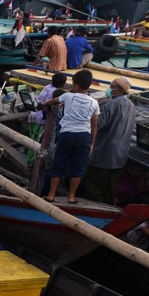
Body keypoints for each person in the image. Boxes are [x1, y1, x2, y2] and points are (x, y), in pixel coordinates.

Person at [41, 69, 99, 203]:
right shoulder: (94, 102)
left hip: (67, 134)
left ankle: (51, 195)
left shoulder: (68, 96)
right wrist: (92, 143)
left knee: (59, 164)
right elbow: (94, 125)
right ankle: (71, 196)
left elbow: (52, 101)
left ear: (76, 85)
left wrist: (47, 103)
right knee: (78, 167)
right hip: (84, 137)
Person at [84, 77, 136, 205]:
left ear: (119, 90)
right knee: (110, 189)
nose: (109, 89)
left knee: (94, 187)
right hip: (120, 155)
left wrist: (92, 112)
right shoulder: (130, 105)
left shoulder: (112, 105)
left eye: (111, 86)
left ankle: (94, 211)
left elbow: (98, 124)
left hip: (104, 153)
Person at [27, 73, 68, 166]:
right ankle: (31, 163)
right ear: (63, 84)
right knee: (36, 142)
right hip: (41, 118)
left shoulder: (48, 86)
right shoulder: (55, 92)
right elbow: (48, 106)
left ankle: (30, 160)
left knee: (32, 139)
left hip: (33, 115)